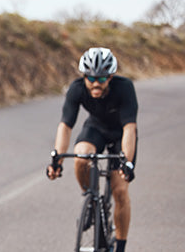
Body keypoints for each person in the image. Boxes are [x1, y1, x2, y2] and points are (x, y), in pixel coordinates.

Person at [46, 47, 137, 252]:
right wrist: (57, 160)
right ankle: (91, 200)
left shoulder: (125, 88)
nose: (96, 83)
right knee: (81, 156)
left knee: (120, 190)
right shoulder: (77, 89)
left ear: (111, 77)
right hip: (96, 128)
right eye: (91, 78)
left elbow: (130, 128)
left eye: (102, 79)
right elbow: (65, 125)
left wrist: (128, 162)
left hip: (121, 134)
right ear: (84, 76)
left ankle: (120, 247)